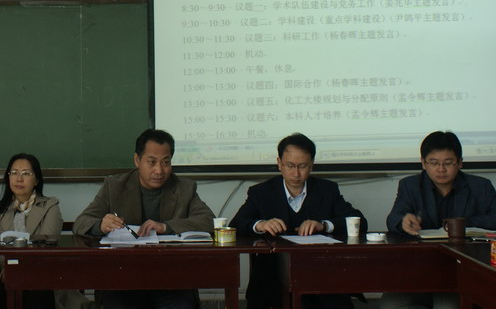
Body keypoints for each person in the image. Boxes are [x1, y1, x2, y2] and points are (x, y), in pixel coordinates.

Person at [73, 129, 214, 309]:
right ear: (137, 160)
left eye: (166, 162)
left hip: (172, 280)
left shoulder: (184, 188)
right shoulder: (114, 186)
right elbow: (81, 222)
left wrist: (166, 227)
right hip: (123, 280)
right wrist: (101, 225)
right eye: (152, 162)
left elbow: (209, 221)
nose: (159, 170)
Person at [230, 133, 367, 309]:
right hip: (273, 276)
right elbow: (235, 225)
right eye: (290, 166)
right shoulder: (261, 192)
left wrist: (324, 225)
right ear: (279, 163)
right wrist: (260, 224)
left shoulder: (327, 190)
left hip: (321, 274)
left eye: (302, 166)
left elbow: (359, 222)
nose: (296, 173)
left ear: (311, 165)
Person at [382, 130, 496, 309]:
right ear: (423, 163)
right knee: (391, 304)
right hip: (420, 268)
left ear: (460, 162)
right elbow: (393, 218)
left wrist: (461, 224)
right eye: (434, 163)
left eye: (448, 163)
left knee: (447, 305)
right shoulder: (410, 186)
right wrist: (403, 220)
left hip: (463, 269)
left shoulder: (481, 187)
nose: (441, 169)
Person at [0, 153, 88, 309]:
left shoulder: (50, 206)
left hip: (43, 275)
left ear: (37, 180)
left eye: (26, 173)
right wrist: (5, 267)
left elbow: (47, 245)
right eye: (14, 173)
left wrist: (17, 268)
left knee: (35, 298)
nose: (19, 179)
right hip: (8, 274)